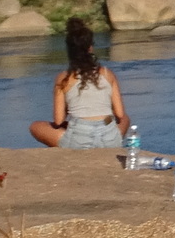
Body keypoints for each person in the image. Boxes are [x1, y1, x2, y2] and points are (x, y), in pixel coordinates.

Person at [29, 17, 131, 149]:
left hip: (78, 140)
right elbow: (120, 114)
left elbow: (58, 120)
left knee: (35, 126)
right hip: (109, 138)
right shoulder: (107, 73)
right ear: (90, 48)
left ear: (69, 50)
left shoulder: (63, 78)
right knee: (126, 119)